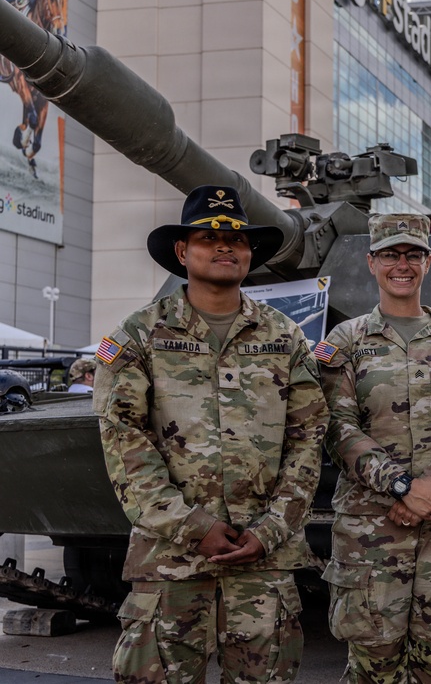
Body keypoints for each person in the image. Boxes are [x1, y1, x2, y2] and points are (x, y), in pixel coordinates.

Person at [94, 185, 328, 683]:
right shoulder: (138, 336)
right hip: (171, 558)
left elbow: (308, 437)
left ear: (251, 254)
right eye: (208, 236)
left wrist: (271, 529)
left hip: (262, 557)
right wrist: (191, 525)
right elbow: (123, 438)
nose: (226, 247)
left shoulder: (285, 336)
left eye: (238, 240)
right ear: (183, 252)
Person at [316, 213, 431, 683]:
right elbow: (336, 425)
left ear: (428, 262)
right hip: (371, 525)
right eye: (391, 255)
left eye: (413, 254)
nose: (403, 264)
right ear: (371, 262)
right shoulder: (346, 340)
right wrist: (399, 485)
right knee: (374, 663)